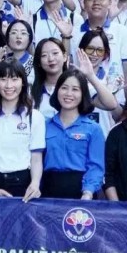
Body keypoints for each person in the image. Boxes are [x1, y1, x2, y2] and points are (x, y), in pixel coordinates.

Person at [0, 59, 44, 201]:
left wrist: (35, 183)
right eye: (3, 79)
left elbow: (36, 158)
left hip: (23, 183)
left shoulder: (35, 116)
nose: (9, 85)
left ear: (23, 82)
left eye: (14, 79)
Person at [42, 68, 106, 199]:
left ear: (83, 94)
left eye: (75, 89)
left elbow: (96, 166)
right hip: (48, 191)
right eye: (64, 88)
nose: (69, 93)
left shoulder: (93, 129)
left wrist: (87, 192)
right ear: (57, 90)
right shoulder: (44, 126)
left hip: (82, 192)